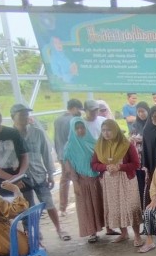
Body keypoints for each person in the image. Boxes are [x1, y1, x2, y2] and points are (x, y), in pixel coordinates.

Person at [10, 104, 69, 241]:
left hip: (38, 174)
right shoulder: (10, 135)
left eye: (26, 114)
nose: (25, 117)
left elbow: (46, 154)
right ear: (13, 117)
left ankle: (59, 229)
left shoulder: (37, 132)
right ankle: (32, 234)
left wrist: (50, 174)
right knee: (26, 206)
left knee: (48, 203)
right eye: (21, 115)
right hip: (21, 177)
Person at [90, 119, 143, 247]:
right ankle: (124, 233)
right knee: (116, 207)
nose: (106, 133)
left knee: (130, 207)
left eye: (109, 130)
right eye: (103, 130)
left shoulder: (126, 145)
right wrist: (105, 167)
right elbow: (94, 164)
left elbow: (136, 164)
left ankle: (137, 235)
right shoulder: (100, 146)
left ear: (115, 130)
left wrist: (120, 167)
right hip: (110, 182)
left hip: (126, 180)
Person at [62, 118, 105, 244]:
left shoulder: (93, 142)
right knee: (86, 207)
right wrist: (75, 182)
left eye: (82, 127)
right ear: (73, 130)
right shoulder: (70, 147)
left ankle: (107, 227)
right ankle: (92, 232)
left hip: (96, 179)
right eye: (77, 128)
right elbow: (69, 167)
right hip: (82, 181)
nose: (80, 130)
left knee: (100, 204)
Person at [53, 98, 83, 216]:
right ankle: (79, 204)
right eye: (79, 109)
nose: (80, 112)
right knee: (77, 179)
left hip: (61, 153)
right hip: (72, 155)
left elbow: (56, 138)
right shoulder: (73, 120)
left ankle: (63, 207)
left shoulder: (58, 120)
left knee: (64, 180)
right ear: (74, 108)